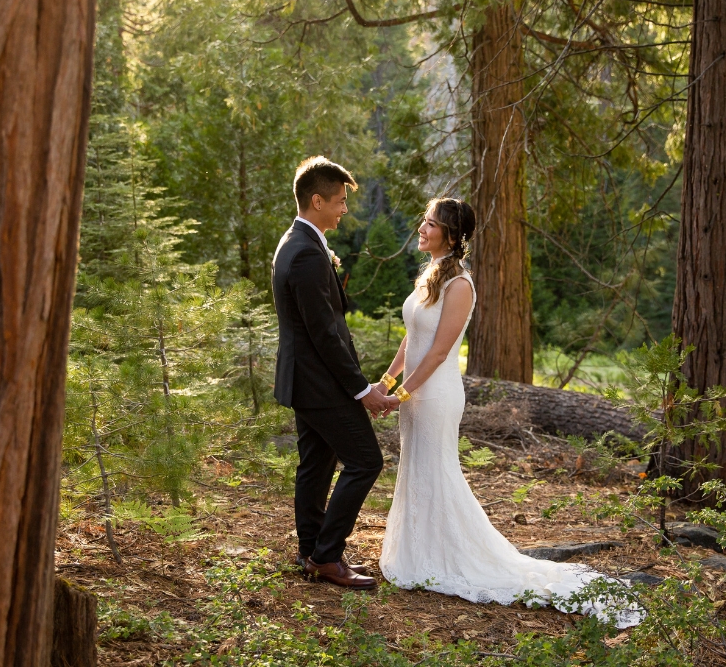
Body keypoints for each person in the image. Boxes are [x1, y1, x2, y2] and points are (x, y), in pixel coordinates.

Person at [375, 197, 640, 624]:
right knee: (416, 469)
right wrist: (387, 383)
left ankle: (449, 557)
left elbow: (440, 351)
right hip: (413, 393)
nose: (421, 229)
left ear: (451, 234)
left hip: (435, 396)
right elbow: (412, 339)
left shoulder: (459, 284)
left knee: (436, 470)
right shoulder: (429, 275)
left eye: (430, 224)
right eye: (424, 221)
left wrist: (400, 395)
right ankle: (418, 552)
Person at [272, 156, 395, 591]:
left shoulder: (299, 242)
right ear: (317, 200)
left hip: (307, 380)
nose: (345, 209)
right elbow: (325, 334)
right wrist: (362, 390)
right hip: (320, 383)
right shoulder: (305, 252)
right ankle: (326, 556)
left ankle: (312, 552)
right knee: (365, 460)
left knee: (316, 465)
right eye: (340, 201)